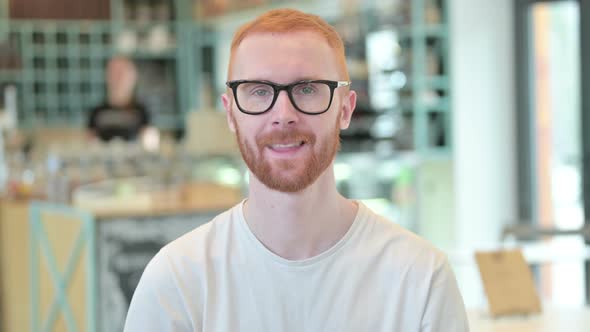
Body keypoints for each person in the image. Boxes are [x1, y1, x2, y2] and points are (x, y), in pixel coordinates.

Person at [124, 8, 469, 332]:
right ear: (230, 113)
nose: (283, 113)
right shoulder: (177, 281)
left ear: (345, 110)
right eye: (259, 92)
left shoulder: (420, 278)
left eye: (307, 89)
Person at [87, 56, 151, 142]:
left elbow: (148, 143)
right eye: (114, 73)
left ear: (132, 77)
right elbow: (89, 142)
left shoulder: (142, 111)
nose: (118, 78)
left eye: (122, 73)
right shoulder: (97, 111)